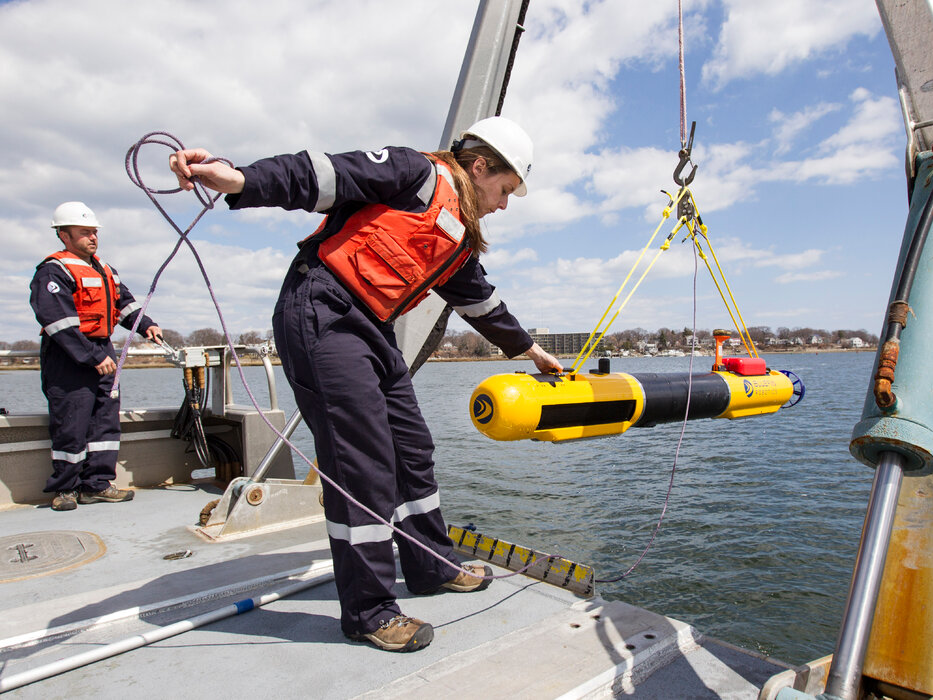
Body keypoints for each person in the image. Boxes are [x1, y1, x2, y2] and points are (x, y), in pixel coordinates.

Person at [169, 116, 562, 653]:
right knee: (363, 462)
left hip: (371, 328)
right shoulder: (412, 173)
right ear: (479, 165)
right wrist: (237, 179)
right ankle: (369, 610)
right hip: (323, 312)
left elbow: (478, 299)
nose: (504, 204)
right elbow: (320, 177)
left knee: (412, 448)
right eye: (505, 189)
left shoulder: (457, 234)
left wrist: (529, 350)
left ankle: (431, 565)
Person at [30, 202, 163, 512]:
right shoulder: (53, 270)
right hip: (69, 356)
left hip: (102, 351)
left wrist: (147, 325)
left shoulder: (105, 270)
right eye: (84, 233)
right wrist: (91, 357)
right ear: (64, 235)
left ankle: (98, 485)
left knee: (105, 421)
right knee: (71, 423)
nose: (92, 238)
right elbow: (56, 322)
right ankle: (66, 489)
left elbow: (125, 305)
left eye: (94, 232)